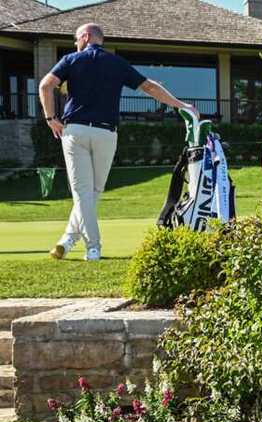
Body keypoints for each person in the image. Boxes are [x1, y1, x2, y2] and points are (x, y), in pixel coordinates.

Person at [38, 23, 198, 261]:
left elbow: (45, 85)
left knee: (84, 193)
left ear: (86, 36)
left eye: (76, 38)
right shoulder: (116, 62)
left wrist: (51, 118)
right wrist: (181, 105)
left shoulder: (71, 59)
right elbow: (150, 87)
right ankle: (71, 240)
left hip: (75, 132)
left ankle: (89, 246)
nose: (75, 43)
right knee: (92, 192)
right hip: (106, 134)